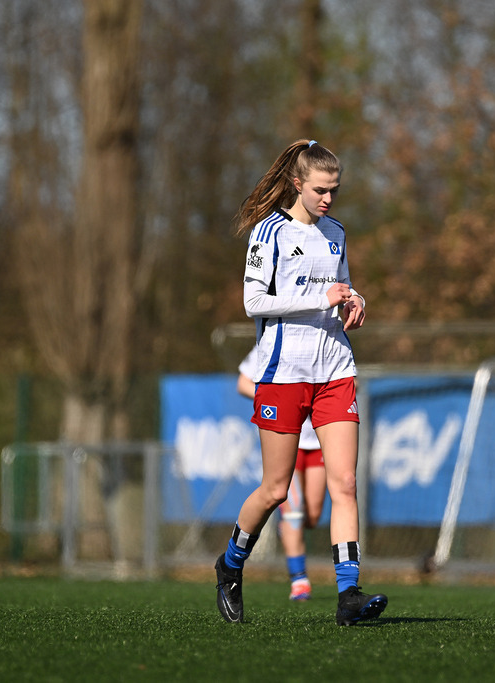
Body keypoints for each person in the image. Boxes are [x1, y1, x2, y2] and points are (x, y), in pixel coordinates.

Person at [214, 139, 387, 626]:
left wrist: (354, 299)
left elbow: (340, 286)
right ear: (296, 184)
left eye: (334, 190)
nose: (328, 199)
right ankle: (230, 565)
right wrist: (320, 297)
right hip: (283, 375)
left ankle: (349, 595)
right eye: (320, 190)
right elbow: (254, 303)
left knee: (345, 483)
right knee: (274, 489)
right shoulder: (268, 233)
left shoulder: (335, 233)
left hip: (334, 369)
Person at [238, 350, 327, 601]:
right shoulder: (272, 340)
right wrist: (277, 400)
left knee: (312, 516)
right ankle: (299, 581)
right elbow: (243, 382)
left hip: (319, 441)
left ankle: (287, 527)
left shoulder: (322, 338)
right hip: (289, 440)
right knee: (295, 514)